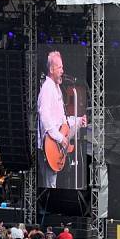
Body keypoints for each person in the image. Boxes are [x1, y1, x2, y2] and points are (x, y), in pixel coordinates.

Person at [37, 50, 87, 188]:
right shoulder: (47, 88)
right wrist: (60, 138)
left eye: (62, 68)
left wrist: (78, 121)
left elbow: (62, 121)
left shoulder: (57, 88)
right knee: (50, 185)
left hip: (56, 143)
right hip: (50, 145)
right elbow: (45, 117)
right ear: (52, 69)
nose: (62, 71)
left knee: (54, 184)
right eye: (60, 68)